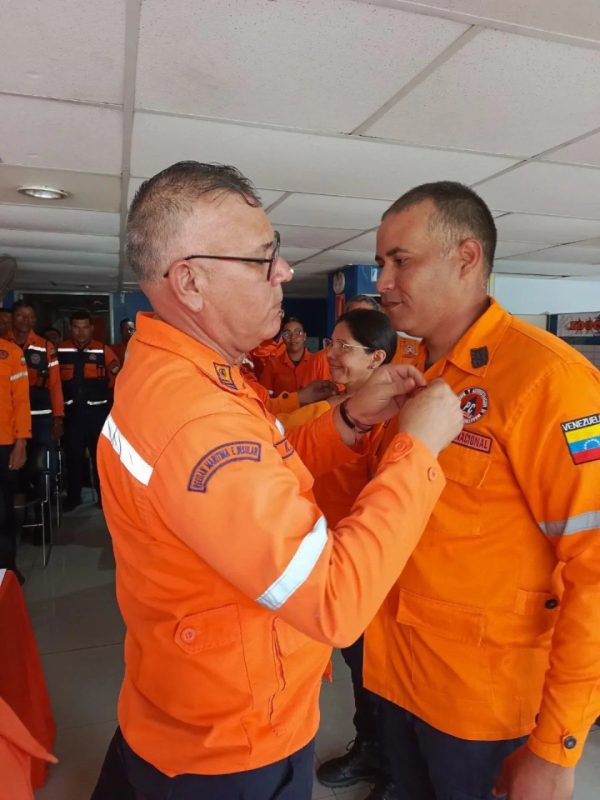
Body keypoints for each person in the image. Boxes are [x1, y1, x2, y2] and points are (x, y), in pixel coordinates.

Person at [91, 160, 463, 800]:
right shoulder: (199, 417)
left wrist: (347, 418)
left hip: (185, 701)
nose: (284, 271)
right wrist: (417, 448)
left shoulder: (181, 372)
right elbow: (333, 602)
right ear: (190, 281)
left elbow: (261, 467)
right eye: (262, 259)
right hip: (232, 742)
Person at [359, 181, 600, 800]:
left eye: (400, 261)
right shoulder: (409, 372)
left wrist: (557, 747)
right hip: (399, 677)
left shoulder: (550, 380)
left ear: (466, 257)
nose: (382, 281)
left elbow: (595, 569)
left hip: (483, 709)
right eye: (381, 262)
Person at [312, 309, 399, 800]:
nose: (332, 354)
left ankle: (390, 769)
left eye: (344, 347)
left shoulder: (389, 421)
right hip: (334, 560)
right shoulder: (339, 408)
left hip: (369, 568)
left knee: (376, 673)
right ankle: (372, 748)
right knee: (359, 667)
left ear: (377, 358)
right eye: (331, 343)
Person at [57, 311, 120, 511]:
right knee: (73, 457)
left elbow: (117, 379)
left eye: (85, 327)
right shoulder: (60, 350)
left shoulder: (103, 350)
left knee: (100, 458)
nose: (81, 332)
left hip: (98, 415)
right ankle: (73, 497)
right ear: (70, 328)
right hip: (71, 415)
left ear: (91, 328)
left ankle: (104, 500)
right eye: (76, 327)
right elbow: (53, 382)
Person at [11, 301, 64, 449]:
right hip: (10, 416)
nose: (25, 320)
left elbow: (55, 384)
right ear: (13, 317)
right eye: (21, 315)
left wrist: (58, 418)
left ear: (35, 320)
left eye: (30, 316)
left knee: (41, 460)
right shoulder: (4, 344)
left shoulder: (46, 346)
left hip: (40, 415)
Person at [0, 333, 31, 578]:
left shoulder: (11, 353)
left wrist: (21, 442)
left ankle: (7, 570)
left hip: (5, 443)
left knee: (3, 511)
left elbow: (21, 401)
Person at [259, 317, 330, 395]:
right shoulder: (272, 364)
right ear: (283, 338)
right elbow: (264, 396)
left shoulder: (317, 362)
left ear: (305, 336)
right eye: (287, 334)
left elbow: (328, 392)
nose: (293, 337)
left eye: (297, 332)